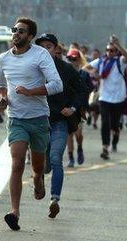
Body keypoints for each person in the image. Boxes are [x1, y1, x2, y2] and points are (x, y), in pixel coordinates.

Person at [0, 18, 62, 231]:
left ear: (30, 36)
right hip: (16, 118)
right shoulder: (3, 58)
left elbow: (56, 85)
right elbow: (0, 84)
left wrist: (31, 91)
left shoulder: (40, 55)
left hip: (39, 117)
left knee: (37, 165)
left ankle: (38, 179)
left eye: (21, 31)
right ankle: (14, 212)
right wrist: (3, 97)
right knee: (16, 163)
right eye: (14, 30)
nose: (16, 33)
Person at [35, 33, 82, 219]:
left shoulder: (66, 69)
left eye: (48, 46)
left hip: (59, 123)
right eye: (41, 46)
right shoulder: (34, 68)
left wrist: (73, 108)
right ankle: (40, 181)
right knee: (42, 166)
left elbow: (82, 90)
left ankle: (55, 199)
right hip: (38, 122)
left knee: (56, 159)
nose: (44, 50)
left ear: (56, 49)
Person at [83, 35, 127, 159]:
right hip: (104, 97)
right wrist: (93, 73)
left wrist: (118, 43)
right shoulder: (101, 61)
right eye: (108, 50)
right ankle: (105, 148)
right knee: (105, 123)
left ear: (116, 52)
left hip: (118, 98)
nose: (109, 52)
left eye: (112, 50)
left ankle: (115, 136)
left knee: (115, 125)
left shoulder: (119, 62)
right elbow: (85, 66)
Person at [66, 48, 93, 167]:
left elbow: (90, 88)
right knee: (68, 135)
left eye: (74, 59)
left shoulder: (85, 74)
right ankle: (71, 158)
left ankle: (80, 149)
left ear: (79, 60)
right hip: (67, 108)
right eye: (69, 59)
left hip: (80, 109)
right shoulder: (63, 73)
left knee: (78, 134)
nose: (72, 61)